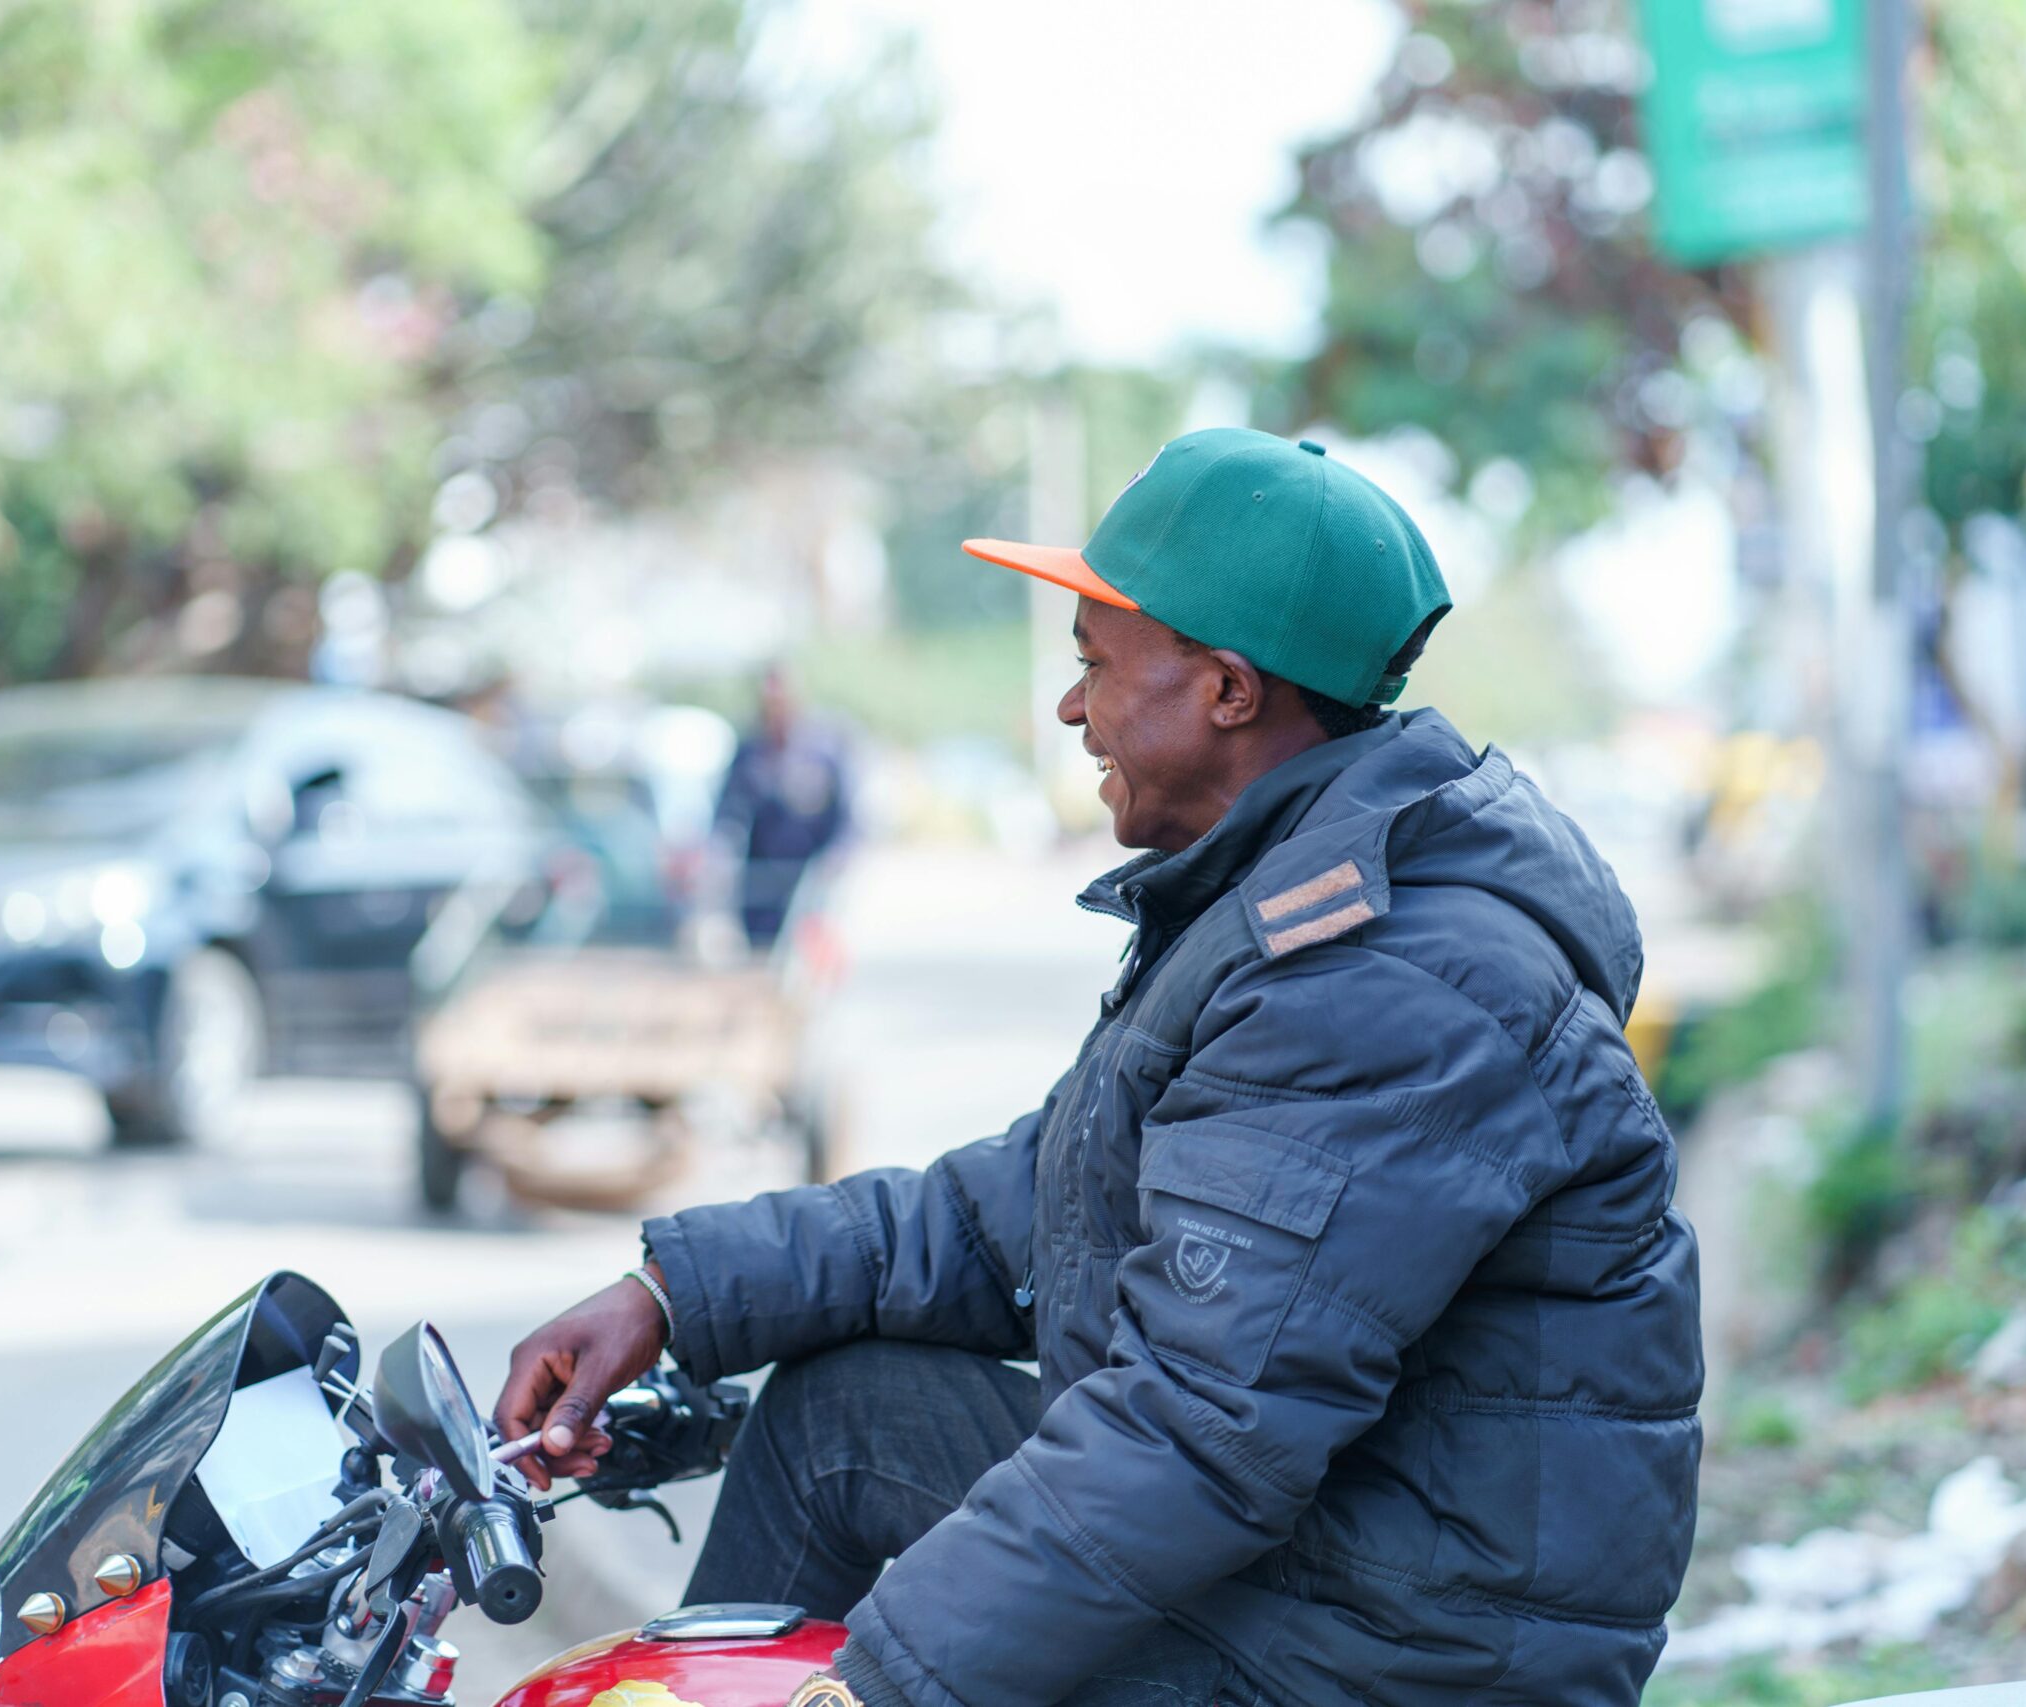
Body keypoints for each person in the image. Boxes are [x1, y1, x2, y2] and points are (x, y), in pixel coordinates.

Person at [499, 428, 1703, 1707]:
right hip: (1323, 1564)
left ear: (1228, 692)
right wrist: (674, 1296)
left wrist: (871, 1689)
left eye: (1093, 665)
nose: (1071, 708)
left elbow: (1198, 1433)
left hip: (1391, 1657)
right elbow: (1013, 1213)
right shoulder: (1279, 905)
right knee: (847, 1419)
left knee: (859, 1632)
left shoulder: (1389, 981)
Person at [711, 667, 853, 948]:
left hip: (811, 880)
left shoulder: (824, 750)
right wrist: (717, 854)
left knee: (804, 958)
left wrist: (837, 856)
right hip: (761, 882)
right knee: (761, 957)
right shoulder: (749, 753)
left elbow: (849, 818)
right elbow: (728, 814)